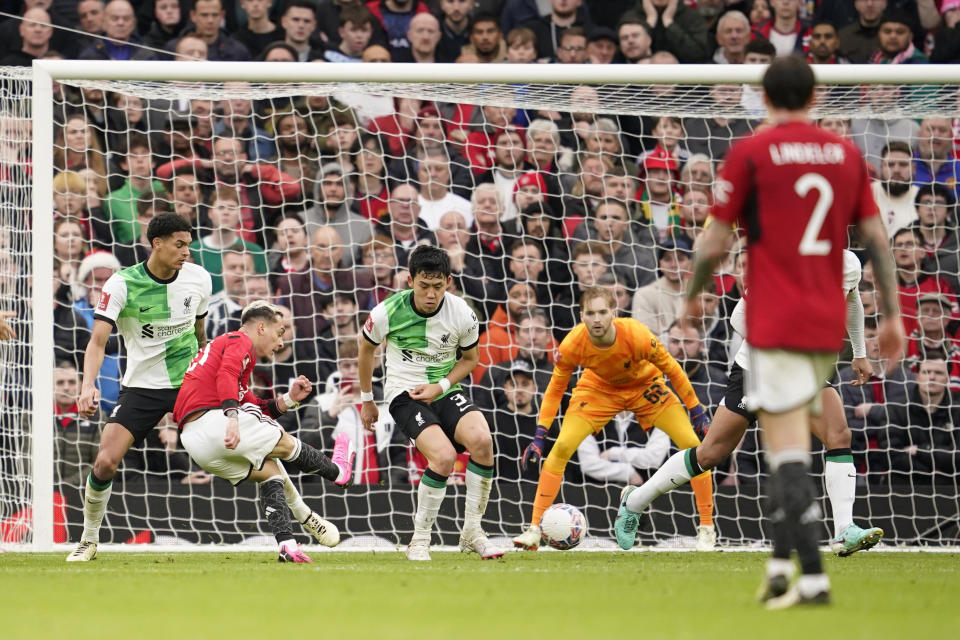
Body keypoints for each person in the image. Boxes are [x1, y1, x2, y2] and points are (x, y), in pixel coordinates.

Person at [664, 56, 904, 608]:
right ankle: (790, 572)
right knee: (794, 445)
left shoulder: (750, 153)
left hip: (773, 318)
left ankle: (807, 577)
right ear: (815, 97)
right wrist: (890, 314)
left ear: (765, 99)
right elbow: (877, 240)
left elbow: (717, 241)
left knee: (786, 451)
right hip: (823, 324)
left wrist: (694, 295)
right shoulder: (843, 155)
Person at [621, 250, 887, 559]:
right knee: (711, 453)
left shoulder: (848, 264)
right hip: (757, 368)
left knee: (839, 434)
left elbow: (852, 300)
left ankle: (845, 530)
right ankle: (634, 502)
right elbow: (739, 319)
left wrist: (859, 351)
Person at [511, 287, 715, 551]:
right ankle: (534, 529)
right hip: (598, 390)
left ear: (613, 313)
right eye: (591, 313)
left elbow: (672, 369)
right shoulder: (572, 344)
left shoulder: (637, 334)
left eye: (603, 312)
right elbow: (555, 389)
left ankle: (707, 528)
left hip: (645, 387)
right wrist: (540, 436)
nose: (597, 319)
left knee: (693, 446)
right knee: (560, 447)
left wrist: (696, 410)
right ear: (581, 315)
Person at [67, 213, 214, 562]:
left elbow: (200, 334)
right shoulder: (121, 284)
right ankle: (88, 539)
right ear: (157, 244)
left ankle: (295, 523)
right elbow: (98, 342)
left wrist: (209, 373)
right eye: (179, 245)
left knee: (235, 451)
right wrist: (88, 386)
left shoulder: (199, 279)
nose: (186, 252)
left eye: (189, 245)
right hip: (142, 386)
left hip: (188, 382)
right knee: (104, 462)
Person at [174, 301, 356, 562]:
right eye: (279, 332)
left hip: (195, 442)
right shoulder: (240, 341)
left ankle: (288, 544)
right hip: (215, 422)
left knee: (270, 472)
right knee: (281, 438)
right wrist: (232, 418)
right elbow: (226, 375)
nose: (280, 342)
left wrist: (290, 399)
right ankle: (339, 474)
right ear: (261, 327)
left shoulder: (227, 353)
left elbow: (255, 404)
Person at [358, 245, 503, 561]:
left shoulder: (463, 313)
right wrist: (367, 400)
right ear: (410, 280)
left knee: (482, 440)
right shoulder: (386, 312)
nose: (431, 294)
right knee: (444, 457)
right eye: (424, 285)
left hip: (445, 389)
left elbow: (471, 359)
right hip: (405, 394)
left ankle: (472, 533)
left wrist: (440, 385)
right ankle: (419, 540)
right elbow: (366, 350)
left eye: (438, 286)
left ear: (448, 282)